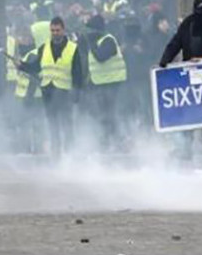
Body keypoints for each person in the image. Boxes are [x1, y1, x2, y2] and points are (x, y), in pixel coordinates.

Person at [159, 0, 202, 167]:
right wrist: (164, 61)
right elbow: (175, 43)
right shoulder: (188, 25)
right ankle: (185, 152)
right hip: (188, 80)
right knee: (187, 116)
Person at [18, 17, 83, 159]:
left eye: (58, 30)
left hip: (64, 92)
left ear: (63, 30)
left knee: (67, 124)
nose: (55, 33)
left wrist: (76, 93)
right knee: (53, 124)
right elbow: (36, 67)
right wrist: (23, 66)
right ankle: (56, 153)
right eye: (53, 30)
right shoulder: (44, 47)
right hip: (48, 92)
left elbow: (77, 73)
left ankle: (70, 153)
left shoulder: (73, 48)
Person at [83, 15, 127, 152]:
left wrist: (91, 44)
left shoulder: (108, 40)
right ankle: (107, 140)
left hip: (113, 83)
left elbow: (101, 57)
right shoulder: (96, 40)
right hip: (101, 83)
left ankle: (119, 140)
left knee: (110, 114)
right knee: (103, 114)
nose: (88, 33)